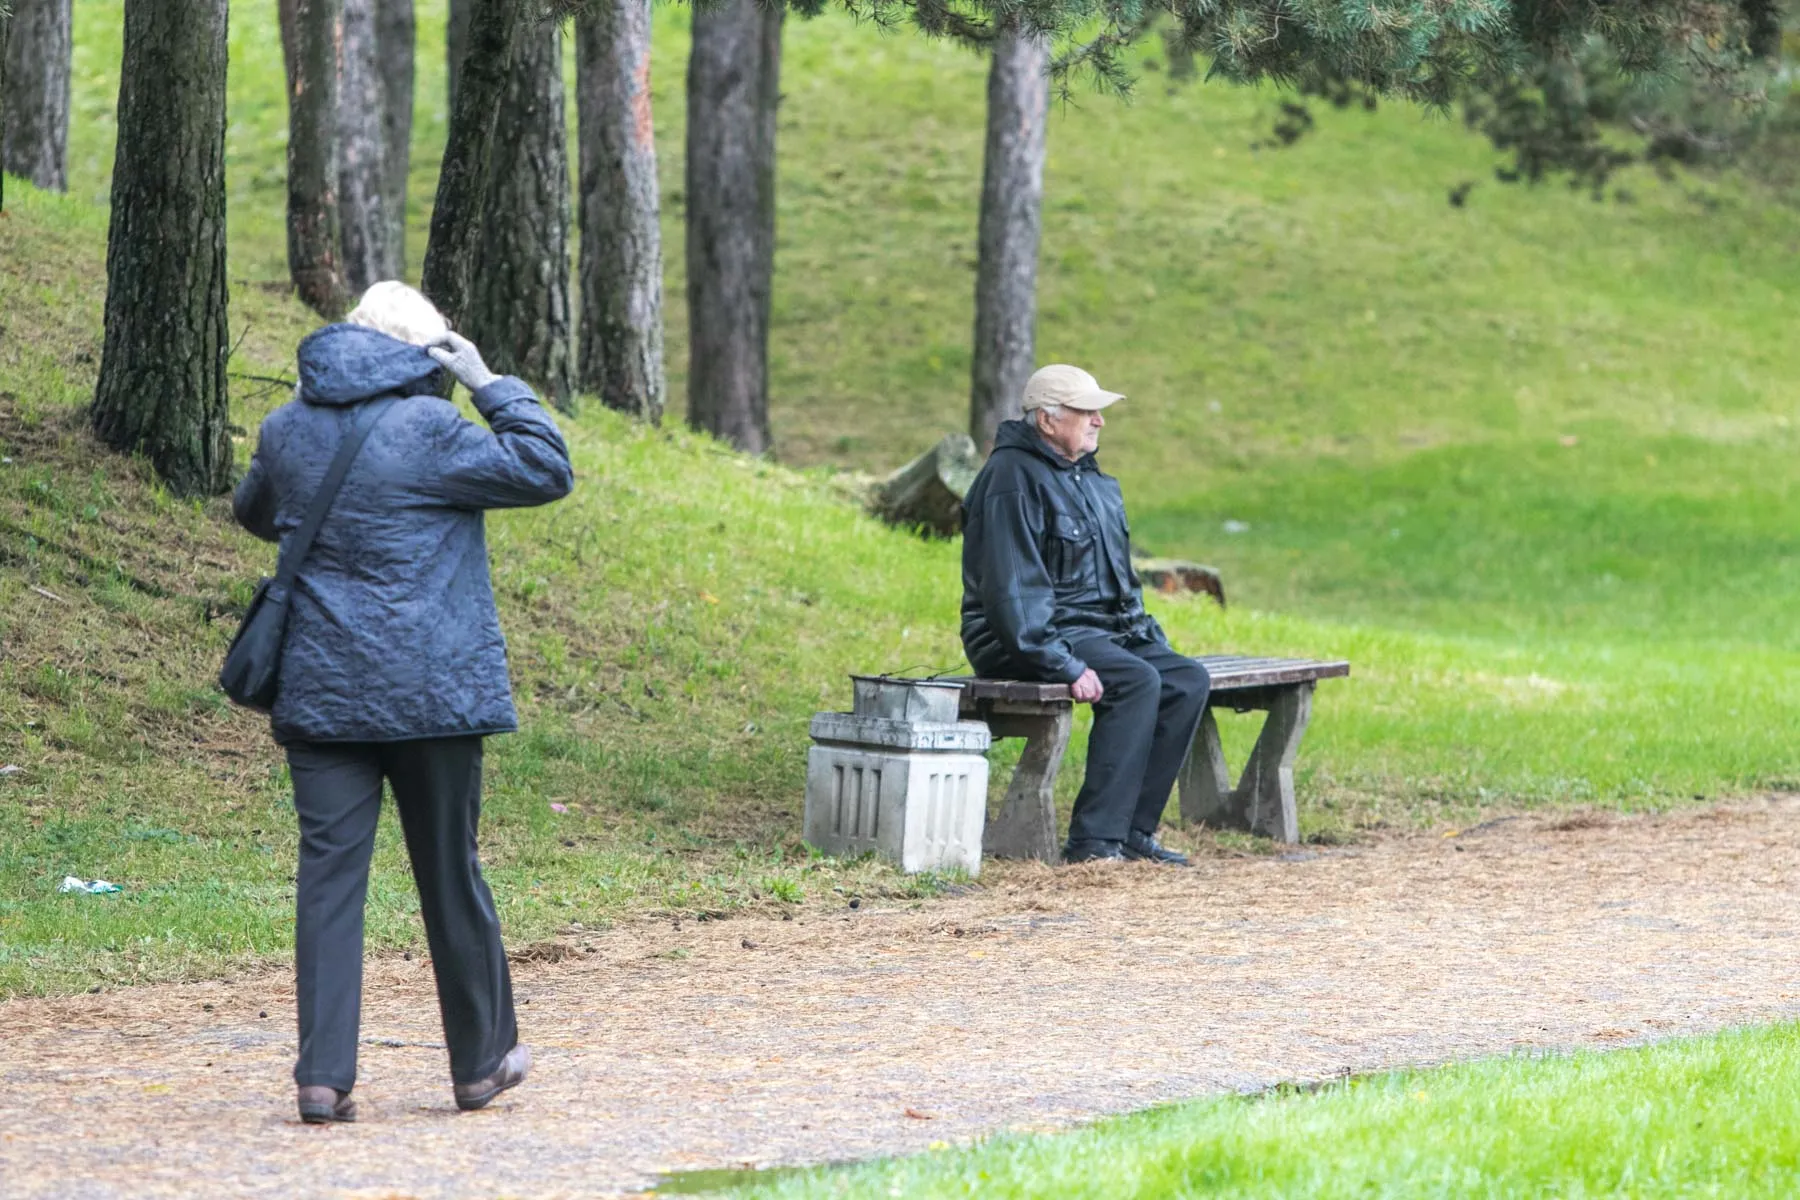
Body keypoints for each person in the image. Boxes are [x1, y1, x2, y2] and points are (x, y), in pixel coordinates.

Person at [232, 281, 574, 1123]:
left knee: (329, 882)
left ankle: (322, 1079)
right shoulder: (431, 428)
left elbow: (254, 511)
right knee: (449, 874)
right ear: (425, 356)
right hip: (434, 697)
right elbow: (545, 467)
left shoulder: (285, 428)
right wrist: (491, 382)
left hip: (321, 692)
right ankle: (481, 1063)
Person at [960, 364, 1210, 866]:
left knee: (1186, 679)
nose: (1099, 421)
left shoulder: (1091, 481)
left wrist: (1147, 637)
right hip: (1025, 637)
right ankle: (1095, 844)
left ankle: (1134, 832)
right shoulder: (1010, 479)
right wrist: (1062, 665)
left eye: (1100, 412)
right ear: (1048, 421)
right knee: (1136, 682)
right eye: (1087, 412)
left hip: (1094, 631)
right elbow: (1015, 594)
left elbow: (1120, 581)